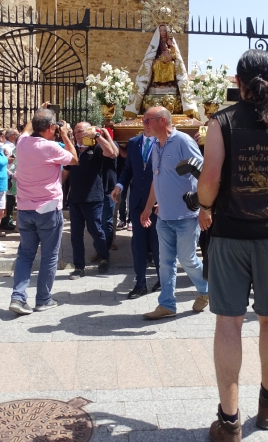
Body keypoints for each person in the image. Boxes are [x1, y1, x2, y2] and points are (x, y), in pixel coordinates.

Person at [196, 49, 268, 439]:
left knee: (229, 322)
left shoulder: (220, 122)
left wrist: (204, 206)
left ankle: (229, 421)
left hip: (228, 234)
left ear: (237, 82)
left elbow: (209, 178)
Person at [140, 106, 209, 320]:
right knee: (165, 263)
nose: (143, 124)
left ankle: (207, 290)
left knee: (187, 259)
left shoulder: (183, 141)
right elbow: (157, 179)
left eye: (147, 120)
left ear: (162, 121)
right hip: (164, 217)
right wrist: (148, 207)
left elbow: (203, 174)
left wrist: (205, 208)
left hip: (187, 216)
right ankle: (167, 304)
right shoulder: (156, 145)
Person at [9, 109, 77, 315]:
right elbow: (74, 159)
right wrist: (64, 134)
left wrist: (38, 113)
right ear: (51, 128)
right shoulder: (51, 148)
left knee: (25, 254)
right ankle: (43, 299)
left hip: (25, 207)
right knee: (49, 256)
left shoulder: (22, 143)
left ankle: (18, 297)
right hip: (47, 208)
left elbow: (26, 132)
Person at [111, 127, 161, 298]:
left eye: (150, 121)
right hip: (137, 202)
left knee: (157, 243)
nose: (147, 124)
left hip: (157, 203)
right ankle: (140, 284)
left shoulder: (164, 142)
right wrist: (119, 186)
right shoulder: (133, 143)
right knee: (138, 244)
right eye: (145, 120)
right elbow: (128, 169)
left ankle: (163, 279)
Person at [65, 122, 118, 278]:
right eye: (76, 131)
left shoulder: (96, 148)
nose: (78, 134)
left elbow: (110, 153)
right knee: (76, 234)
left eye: (81, 131)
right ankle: (79, 267)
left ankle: (104, 256)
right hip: (75, 198)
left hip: (93, 197)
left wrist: (98, 136)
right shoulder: (72, 149)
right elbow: (65, 172)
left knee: (96, 230)